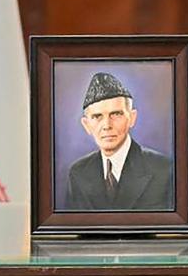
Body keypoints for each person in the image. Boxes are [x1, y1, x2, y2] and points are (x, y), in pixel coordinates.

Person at [64, 71, 173, 210]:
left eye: (116, 114)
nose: (107, 126)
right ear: (86, 125)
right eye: (97, 116)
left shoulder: (163, 169)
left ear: (132, 118)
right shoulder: (77, 173)